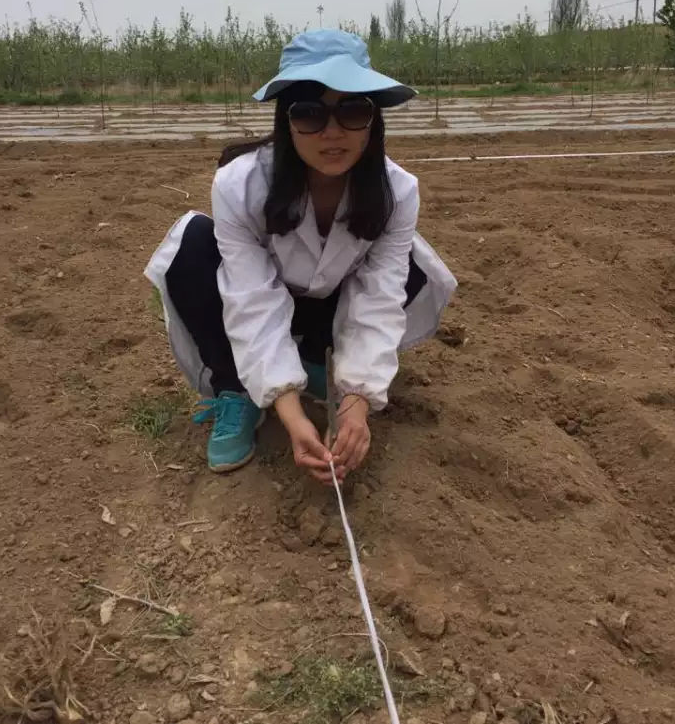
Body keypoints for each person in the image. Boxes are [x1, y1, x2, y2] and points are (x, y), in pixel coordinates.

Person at [145, 28, 456, 485]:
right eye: (310, 114)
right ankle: (237, 390)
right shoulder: (239, 185)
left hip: (327, 304)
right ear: (286, 121)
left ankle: (316, 363)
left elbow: (378, 297)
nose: (332, 132)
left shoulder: (398, 191)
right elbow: (251, 298)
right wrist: (291, 415)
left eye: (352, 111)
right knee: (192, 246)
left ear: (374, 120)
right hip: (272, 295)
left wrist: (356, 403)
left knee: (413, 264)